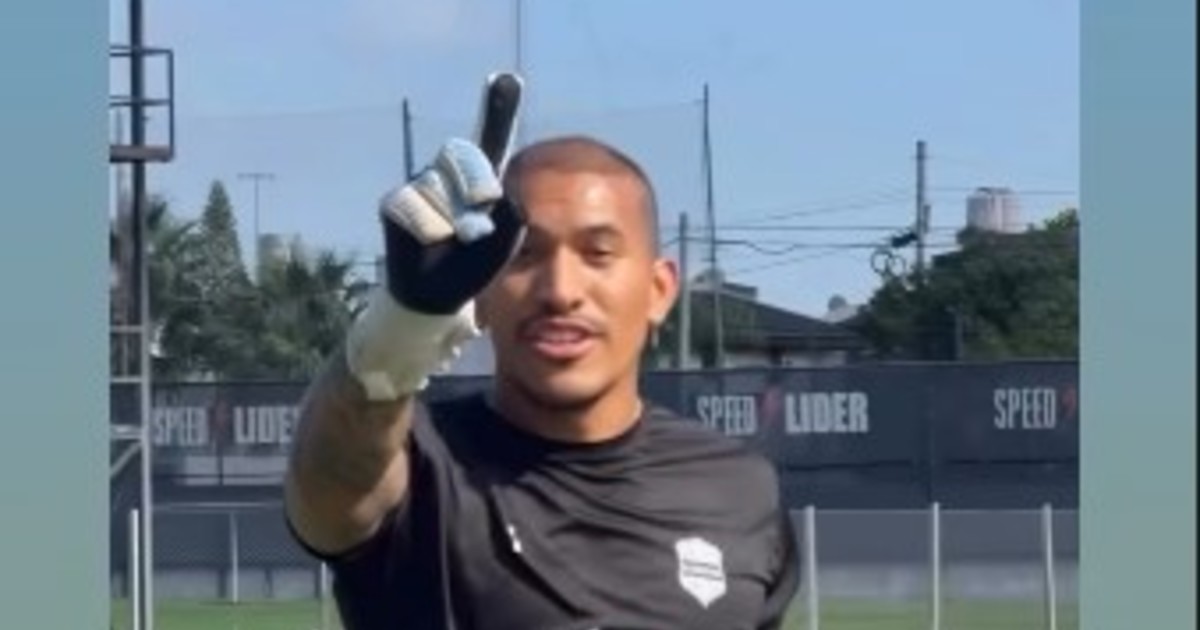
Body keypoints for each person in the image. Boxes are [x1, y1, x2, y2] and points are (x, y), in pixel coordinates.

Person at [284, 80, 800, 630]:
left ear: (659, 290)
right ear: (482, 291)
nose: (560, 290)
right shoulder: (418, 468)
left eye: (597, 253)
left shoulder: (741, 490)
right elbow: (333, 485)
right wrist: (405, 322)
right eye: (524, 256)